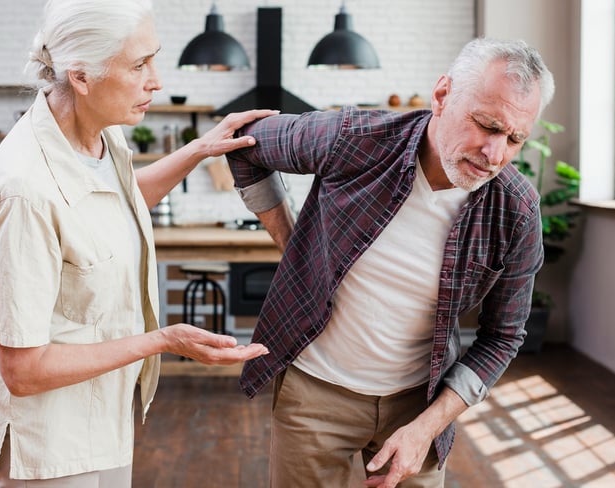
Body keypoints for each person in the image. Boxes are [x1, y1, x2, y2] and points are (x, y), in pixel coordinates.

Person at [226, 37, 555, 488]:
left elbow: (502, 337)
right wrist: (292, 242)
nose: (495, 154)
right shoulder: (354, 138)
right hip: (315, 393)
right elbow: (245, 144)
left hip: (419, 404)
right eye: (486, 125)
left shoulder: (516, 209)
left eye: (515, 138)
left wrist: (426, 429)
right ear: (443, 95)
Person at [0, 0, 275, 486]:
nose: (156, 80)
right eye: (139, 65)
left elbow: (119, 199)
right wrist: (163, 340)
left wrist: (197, 150)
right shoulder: (23, 192)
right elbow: (23, 371)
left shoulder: (99, 138)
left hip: (105, 418)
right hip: (50, 443)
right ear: (82, 77)